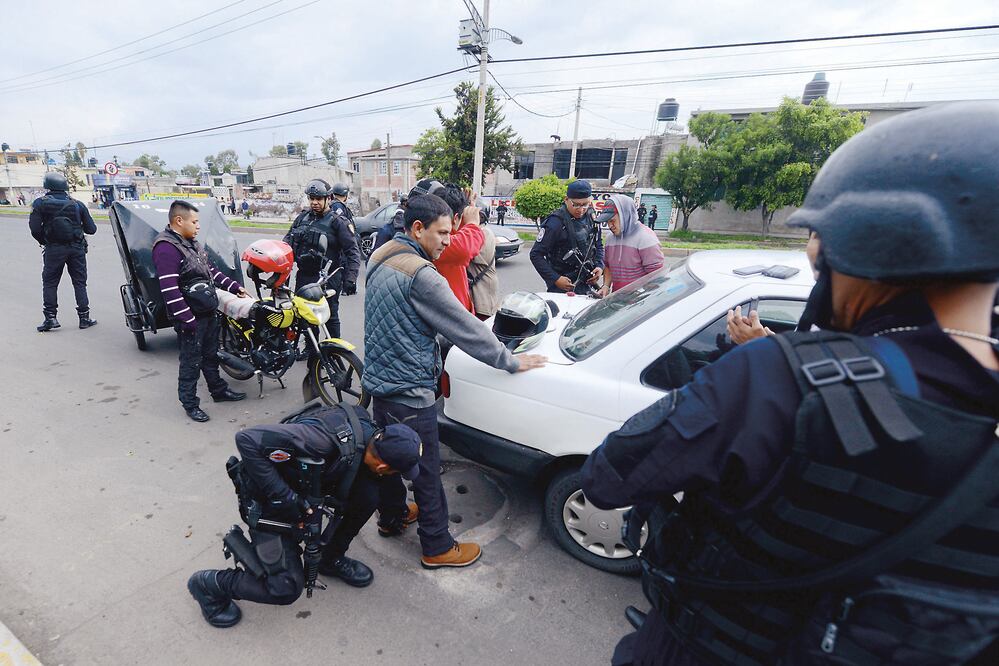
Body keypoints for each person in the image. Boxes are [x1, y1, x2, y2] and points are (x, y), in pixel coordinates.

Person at [580, 101, 999, 666]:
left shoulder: (776, 377)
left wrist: (754, 372)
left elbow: (608, 475)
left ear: (868, 239)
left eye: (819, 235)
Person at [364, 193, 547, 568]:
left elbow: (400, 318)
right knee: (426, 470)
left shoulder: (380, 255)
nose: (448, 241)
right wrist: (509, 360)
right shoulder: (422, 275)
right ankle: (437, 546)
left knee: (388, 456)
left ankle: (392, 516)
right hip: (410, 390)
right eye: (443, 233)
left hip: (379, 382)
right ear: (418, 228)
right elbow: (465, 328)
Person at [187, 402, 423, 628]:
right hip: (269, 503)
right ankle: (208, 585)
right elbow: (246, 439)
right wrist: (286, 497)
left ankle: (330, 559)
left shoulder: (370, 436)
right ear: (383, 466)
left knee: (367, 497)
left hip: (304, 489)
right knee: (286, 587)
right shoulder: (319, 441)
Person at [152, 200, 248, 422]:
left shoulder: (191, 243)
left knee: (210, 355)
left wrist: (235, 287)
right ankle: (190, 404)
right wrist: (188, 320)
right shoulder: (166, 247)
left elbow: (210, 271)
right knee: (191, 362)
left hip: (207, 312)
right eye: (194, 222)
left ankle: (218, 391)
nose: (198, 226)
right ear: (179, 221)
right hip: (191, 318)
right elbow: (169, 289)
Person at [283, 180, 361, 339]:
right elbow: (286, 245)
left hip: (327, 279)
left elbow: (353, 252)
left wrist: (350, 278)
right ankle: (311, 348)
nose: (314, 202)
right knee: (305, 316)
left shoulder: (338, 222)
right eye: (311, 198)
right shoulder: (302, 218)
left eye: (318, 199)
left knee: (330, 317)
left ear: (328, 198)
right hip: (304, 277)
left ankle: (334, 349)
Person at [29, 172, 99, 332]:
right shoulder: (77, 204)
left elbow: (34, 229)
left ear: (47, 186)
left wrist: (45, 241)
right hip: (76, 248)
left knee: (50, 283)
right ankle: (84, 318)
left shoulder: (40, 203)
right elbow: (91, 229)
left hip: (54, 249)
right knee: (79, 283)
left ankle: (51, 318)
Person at [529, 179, 604, 294]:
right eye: (576, 205)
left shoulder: (591, 217)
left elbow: (598, 244)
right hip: (561, 286)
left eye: (585, 204)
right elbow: (536, 254)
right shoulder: (555, 223)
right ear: (566, 199)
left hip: (586, 283)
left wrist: (599, 266)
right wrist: (555, 279)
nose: (581, 209)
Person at [596, 194, 665, 296]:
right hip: (617, 298)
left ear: (625, 215)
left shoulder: (646, 238)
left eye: (612, 221)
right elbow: (608, 266)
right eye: (607, 222)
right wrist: (606, 286)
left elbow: (657, 276)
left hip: (640, 300)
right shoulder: (610, 238)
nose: (610, 226)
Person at [433, 183, 484, 313]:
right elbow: (465, 247)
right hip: (451, 318)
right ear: (456, 218)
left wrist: (465, 210)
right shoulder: (439, 243)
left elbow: (456, 233)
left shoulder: (431, 234)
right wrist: (472, 223)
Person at [469, 204, 500, 321]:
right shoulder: (478, 231)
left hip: (483, 287)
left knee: (483, 321)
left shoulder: (484, 233)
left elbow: (474, 255)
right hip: (480, 285)